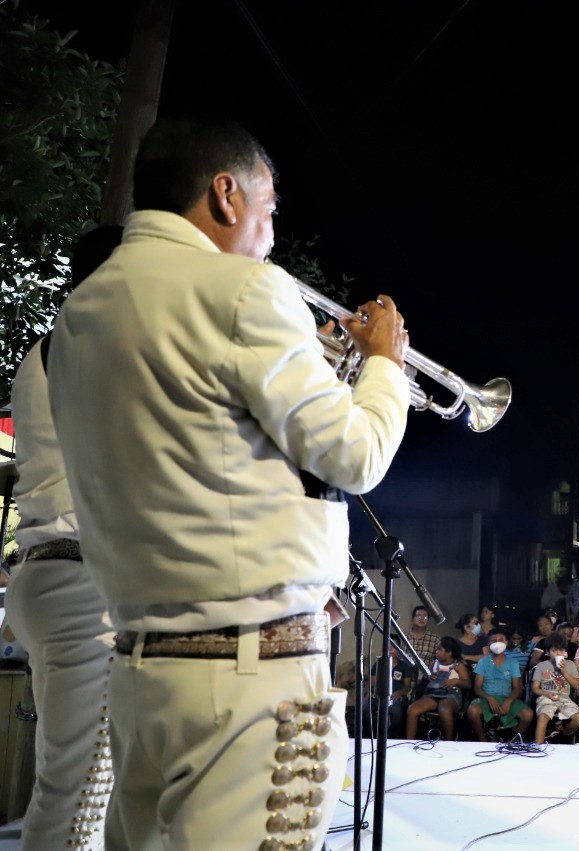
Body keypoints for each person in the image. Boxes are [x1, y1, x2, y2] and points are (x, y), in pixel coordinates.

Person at [46, 114, 411, 850]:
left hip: (143, 673)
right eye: (268, 208)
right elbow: (356, 455)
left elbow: (197, 447)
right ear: (226, 194)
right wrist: (384, 366)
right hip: (252, 683)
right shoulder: (246, 289)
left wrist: (311, 359)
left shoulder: (81, 312)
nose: (271, 233)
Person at [3, 225, 121, 851]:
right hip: (84, 588)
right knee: (79, 806)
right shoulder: (97, 341)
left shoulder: (52, 346)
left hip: (54, 574)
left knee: (67, 793)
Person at [465, 627, 533, 740]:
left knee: (528, 714)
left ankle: (514, 741)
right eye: (494, 640)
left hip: (507, 698)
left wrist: (508, 701)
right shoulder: (483, 662)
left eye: (500, 640)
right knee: (472, 711)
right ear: (488, 643)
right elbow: (477, 688)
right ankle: (482, 740)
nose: (497, 643)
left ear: (506, 642)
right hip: (486, 698)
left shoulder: (513, 663)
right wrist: (489, 698)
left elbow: (517, 688)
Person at [404, 636, 470, 741]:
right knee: (412, 709)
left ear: (449, 653)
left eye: (439, 649)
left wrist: (456, 681)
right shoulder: (434, 664)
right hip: (432, 694)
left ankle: (448, 741)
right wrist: (428, 676)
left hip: (450, 695)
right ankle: (410, 741)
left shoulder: (459, 666)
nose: (436, 652)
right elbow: (426, 680)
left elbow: (468, 684)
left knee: (444, 710)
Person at [529, 632, 579, 744]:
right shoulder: (542, 665)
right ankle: (539, 746)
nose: (558, 653)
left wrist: (564, 672)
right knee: (543, 718)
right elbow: (535, 688)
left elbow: (577, 685)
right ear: (548, 652)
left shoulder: (570, 664)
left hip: (564, 698)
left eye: (561, 650)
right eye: (554, 651)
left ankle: (563, 733)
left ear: (565, 652)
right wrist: (546, 693)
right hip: (546, 697)